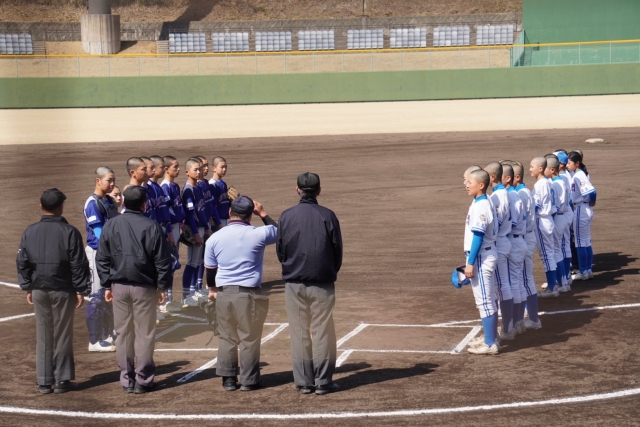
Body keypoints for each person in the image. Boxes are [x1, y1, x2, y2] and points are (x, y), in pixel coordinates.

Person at [96, 186, 173, 394]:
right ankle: (143, 380)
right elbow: (163, 260)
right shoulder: (152, 226)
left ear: (123, 202)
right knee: (144, 333)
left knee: (122, 333)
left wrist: (106, 284)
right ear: (144, 204)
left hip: (119, 286)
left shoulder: (111, 225)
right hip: (144, 287)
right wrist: (162, 286)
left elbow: (102, 258)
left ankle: (127, 380)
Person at [17, 188, 91, 394]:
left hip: (39, 289)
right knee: (62, 334)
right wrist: (80, 288)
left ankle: (43, 381)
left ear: (41, 206)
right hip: (63, 289)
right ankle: (62, 380)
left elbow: (22, 261)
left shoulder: (30, 231)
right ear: (61, 207)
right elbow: (78, 264)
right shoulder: (70, 232)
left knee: (43, 334)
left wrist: (28, 286)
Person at [276, 172, 342, 395]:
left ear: (297, 190)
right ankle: (323, 381)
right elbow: (337, 250)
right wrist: (329, 271)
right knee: (323, 331)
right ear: (319, 190)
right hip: (322, 282)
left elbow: (281, 251)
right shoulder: (328, 215)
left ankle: (304, 382)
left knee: (299, 332)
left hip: (294, 283)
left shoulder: (286, 216)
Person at [204, 196, 277, 392]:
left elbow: (210, 270)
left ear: (230, 213)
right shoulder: (259, 233)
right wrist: (263, 213)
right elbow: (281, 232)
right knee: (249, 338)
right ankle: (249, 380)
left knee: (226, 337)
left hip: (224, 294)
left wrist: (212, 290)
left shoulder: (215, 238)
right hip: (249, 295)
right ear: (250, 215)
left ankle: (228, 380)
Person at [462, 170, 500, 355]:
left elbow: (478, 236)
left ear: (481, 185)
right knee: (489, 299)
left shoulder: (481, 205)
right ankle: (491, 337)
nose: (466, 185)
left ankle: (490, 343)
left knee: (485, 301)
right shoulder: (481, 201)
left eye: (470, 182)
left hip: (481, 257)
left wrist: (470, 263)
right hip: (484, 255)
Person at [83, 167, 118, 352]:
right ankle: (94, 341)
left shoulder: (109, 201)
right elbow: (99, 233)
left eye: (113, 180)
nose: (112, 184)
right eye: (108, 180)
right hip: (98, 253)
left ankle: (107, 334)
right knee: (97, 297)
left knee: (108, 295)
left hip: (110, 253)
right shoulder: (92, 203)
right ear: (98, 181)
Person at [484, 162, 514, 338]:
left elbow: (496, 224)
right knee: (503, 285)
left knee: (502, 286)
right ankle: (508, 328)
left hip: (500, 241)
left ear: (492, 177)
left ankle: (507, 330)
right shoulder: (502, 193)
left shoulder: (498, 196)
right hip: (504, 240)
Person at [513, 163, 541, 330]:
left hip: (525, 237)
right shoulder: (523, 192)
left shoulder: (521, 195)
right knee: (523, 278)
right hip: (527, 236)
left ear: (516, 177)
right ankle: (528, 316)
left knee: (525, 279)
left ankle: (534, 319)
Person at [501, 163, 527, 338]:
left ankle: (511, 326)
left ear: (508, 178)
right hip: (519, 240)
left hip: (513, 241)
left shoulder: (509, 196)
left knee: (511, 285)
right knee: (517, 282)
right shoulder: (516, 194)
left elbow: (511, 224)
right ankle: (518, 323)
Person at [181, 158, 210, 307]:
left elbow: (202, 210)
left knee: (198, 262)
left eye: (200, 169)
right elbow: (190, 215)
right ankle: (186, 296)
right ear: (187, 172)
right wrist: (196, 233)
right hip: (194, 229)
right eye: (195, 170)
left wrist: (206, 228)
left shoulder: (198, 187)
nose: (199, 172)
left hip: (201, 228)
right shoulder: (188, 190)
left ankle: (195, 291)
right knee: (192, 262)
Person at [530, 157, 559, 298]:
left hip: (542, 221)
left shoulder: (541, 184)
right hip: (548, 219)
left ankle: (552, 288)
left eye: (532, 167)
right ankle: (553, 285)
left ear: (540, 168)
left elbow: (535, 206)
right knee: (550, 254)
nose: (530, 169)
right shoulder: (548, 182)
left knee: (546, 255)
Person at [160, 155, 185, 312]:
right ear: (166, 169)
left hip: (176, 228)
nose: (178, 169)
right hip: (169, 229)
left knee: (174, 262)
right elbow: (167, 212)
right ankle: (165, 300)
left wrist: (182, 224)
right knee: (169, 263)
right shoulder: (164, 187)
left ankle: (169, 298)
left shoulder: (174, 186)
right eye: (175, 166)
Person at [567, 151, 596, 281]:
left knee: (580, 242)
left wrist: (592, 201)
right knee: (585, 241)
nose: (567, 165)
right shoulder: (579, 174)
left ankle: (583, 271)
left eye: (569, 163)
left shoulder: (579, 175)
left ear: (577, 163)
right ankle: (588, 270)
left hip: (580, 209)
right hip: (584, 208)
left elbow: (592, 191)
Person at [544, 154, 571, 293]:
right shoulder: (561, 181)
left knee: (555, 251)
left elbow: (554, 206)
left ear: (552, 169)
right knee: (558, 250)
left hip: (558, 217)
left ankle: (561, 282)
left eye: (545, 168)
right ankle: (564, 281)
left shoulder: (555, 184)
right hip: (563, 216)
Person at [210, 156, 230, 227]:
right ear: (214, 168)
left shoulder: (223, 183)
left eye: (225, 167)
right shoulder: (212, 184)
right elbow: (213, 206)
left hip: (224, 218)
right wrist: (218, 223)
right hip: (217, 221)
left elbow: (224, 202)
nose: (224, 169)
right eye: (222, 167)